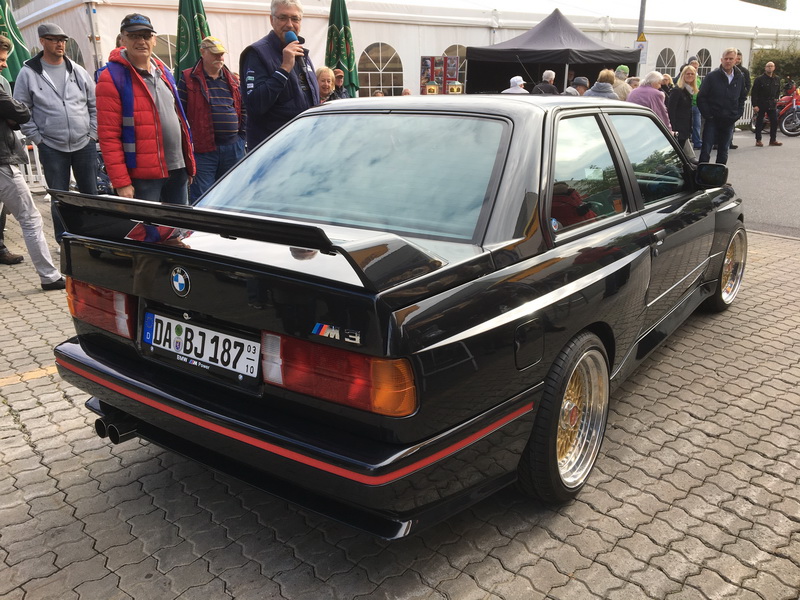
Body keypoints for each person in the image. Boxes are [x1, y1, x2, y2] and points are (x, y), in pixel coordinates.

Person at [97, 14, 195, 204]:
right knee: (147, 224)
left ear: (154, 40)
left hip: (177, 169)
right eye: (134, 36)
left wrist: (188, 164)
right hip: (142, 177)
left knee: (178, 223)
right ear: (123, 39)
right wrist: (121, 182)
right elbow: (108, 136)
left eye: (146, 35)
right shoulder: (111, 78)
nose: (141, 41)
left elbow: (180, 119)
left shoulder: (163, 71)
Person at [13, 22, 97, 244]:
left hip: (84, 143)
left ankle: (95, 237)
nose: (60, 44)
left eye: (63, 40)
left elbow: (94, 104)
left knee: (91, 195)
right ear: (42, 41)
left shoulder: (77, 70)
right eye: (54, 40)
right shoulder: (28, 73)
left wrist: (93, 134)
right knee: (59, 196)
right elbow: (22, 109)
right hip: (51, 145)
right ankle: (64, 240)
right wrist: (38, 139)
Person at [0, 35, 64, 290]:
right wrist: (13, 114)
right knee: (30, 219)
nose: (4, 64)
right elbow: (21, 111)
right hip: (2, 164)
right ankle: (49, 276)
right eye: (1, 59)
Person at [240, 0, 319, 149]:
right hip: (273, 151)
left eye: (295, 19)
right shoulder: (257, 53)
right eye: (283, 18)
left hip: (304, 145)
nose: (289, 24)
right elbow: (255, 105)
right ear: (271, 20)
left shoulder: (303, 55)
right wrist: (284, 68)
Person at [178, 36, 245, 202]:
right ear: (203, 52)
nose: (220, 58)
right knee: (204, 198)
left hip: (233, 148)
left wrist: (241, 137)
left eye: (221, 54)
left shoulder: (232, 79)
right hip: (203, 150)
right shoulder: (188, 78)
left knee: (233, 196)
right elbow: (180, 114)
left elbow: (243, 108)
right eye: (215, 54)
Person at [697, 47, 748, 164]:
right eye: (726, 58)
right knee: (706, 150)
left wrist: (737, 114)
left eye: (731, 59)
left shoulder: (740, 77)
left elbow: (742, 97)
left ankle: (719, 174)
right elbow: (701, 97)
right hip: (713, 119)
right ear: (721, 60)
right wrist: (708, 115)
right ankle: (702, 174)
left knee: (724, 151)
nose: (728, 61)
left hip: (729, 120)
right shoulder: (712, 76)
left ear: (736, 60)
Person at [668, 65, 699, 155]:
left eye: (692, 74)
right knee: (676, 153)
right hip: (677, 128)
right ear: (683, 75)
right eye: (687, 74)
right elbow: (671, 110)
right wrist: (673, 128)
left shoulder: (689, 90)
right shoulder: (677, 90)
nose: (690, 76)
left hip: (685, 128)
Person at [751, 61, 783, 147]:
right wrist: (755, 105)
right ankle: (758, 140)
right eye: (768, 66)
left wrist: (776, 98)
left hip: (772, 103)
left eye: (771, 66)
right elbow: (754, 93)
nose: (770, 68)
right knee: (760, 121)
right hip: (761, 103)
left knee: (774, 121)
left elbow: (778, 90)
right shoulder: (759, 79)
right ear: (765, 68)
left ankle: (773, 140)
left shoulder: (776, 79)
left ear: (774, 68)